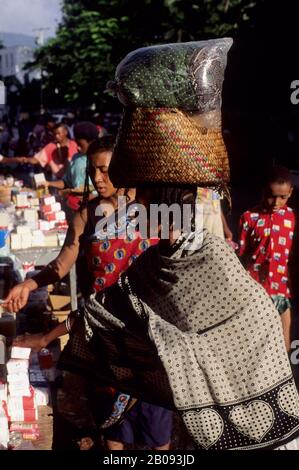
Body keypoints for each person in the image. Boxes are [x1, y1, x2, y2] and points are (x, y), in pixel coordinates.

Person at [3, 137, 172, 451]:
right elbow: (63, 261)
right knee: (113, 434)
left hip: (150, 345)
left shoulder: (154, 213)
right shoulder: (86, 216)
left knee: (156, 436)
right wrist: (29, 284)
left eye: (105, 171)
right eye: (93, 171)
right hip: (102, 343)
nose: (97, 178)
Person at [239, 165, 295, 351]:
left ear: (290, 193)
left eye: (283, 197)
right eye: (271, 195)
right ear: (263, 190)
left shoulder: (291, 216)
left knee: (284, 336)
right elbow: (241, 253)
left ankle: (286, 373)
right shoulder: (249, 218)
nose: (276, 202)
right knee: (256, 339)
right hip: (255, 288)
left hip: (279, 285)